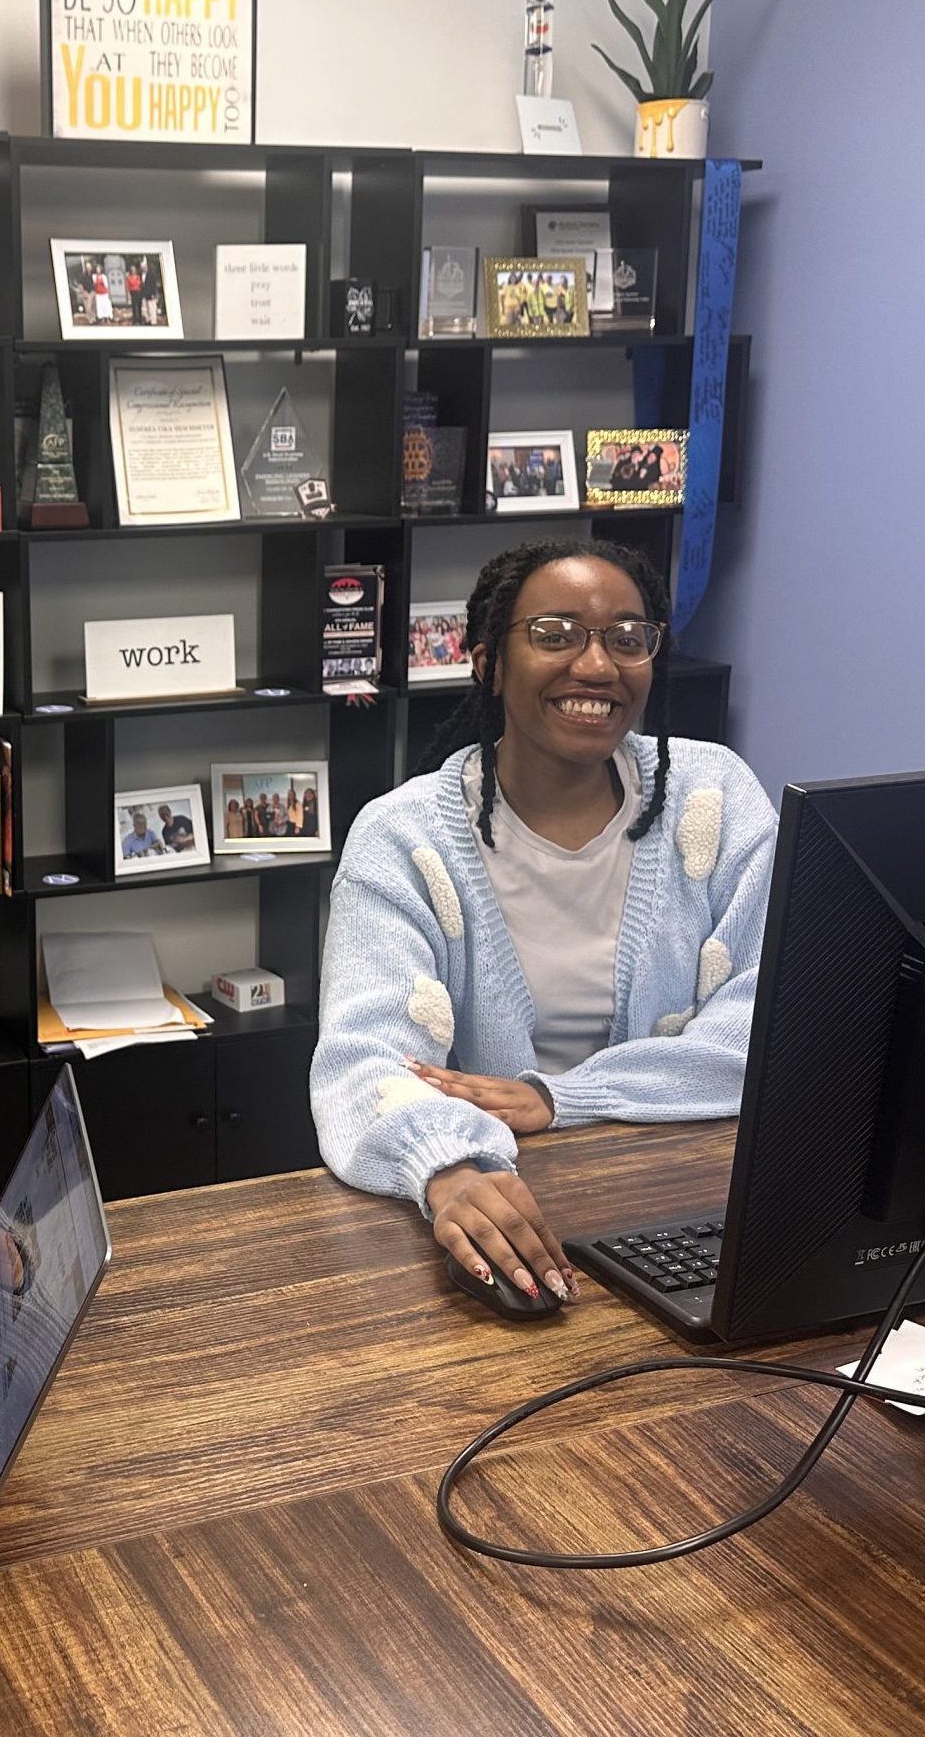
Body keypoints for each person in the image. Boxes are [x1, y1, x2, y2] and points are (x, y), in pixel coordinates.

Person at [310, 538, 775, 1308]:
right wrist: (448, 1168)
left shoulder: (715, 795)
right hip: (499, 1200)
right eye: (555, 635)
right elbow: (365, 1062)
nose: (596, 666)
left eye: (627, 638)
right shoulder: (403, 837)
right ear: (489, 663)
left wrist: (563, 1098)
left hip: (683, 1197)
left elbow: (775, 1019)